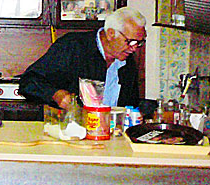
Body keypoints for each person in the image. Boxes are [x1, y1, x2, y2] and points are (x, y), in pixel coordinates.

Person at [18, 7, 146, 109]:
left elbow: (131, 105)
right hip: (70, 132)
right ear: (111, 34)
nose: (134, 48)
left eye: (139, 43)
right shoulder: (72, 47)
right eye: (130, 41)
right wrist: (55, 94)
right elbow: (28, 82)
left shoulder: (127, 61)